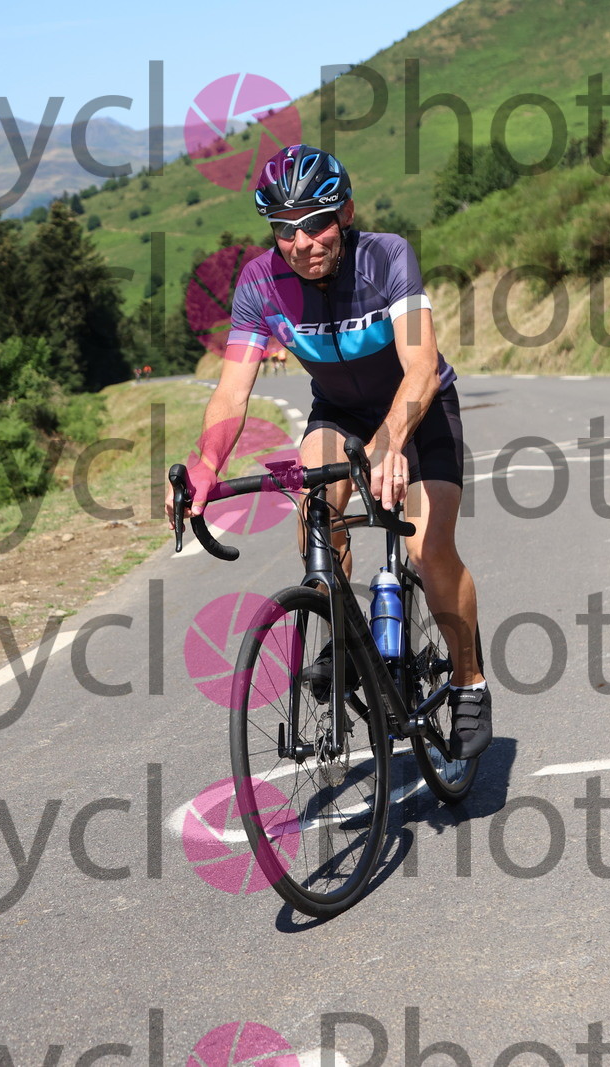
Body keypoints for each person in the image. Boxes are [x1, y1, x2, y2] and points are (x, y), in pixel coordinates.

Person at [164, 144, 491, 759]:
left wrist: (391, 442)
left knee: (426, 547)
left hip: (419, 409)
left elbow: (420, 367)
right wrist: (206, 466)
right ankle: (341, 635)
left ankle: (470, 682)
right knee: (316, 511)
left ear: (344, 213)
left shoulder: (385, 257)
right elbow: (232, 392)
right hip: (338, 413)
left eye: (316, 222)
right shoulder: (260, 283)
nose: (302, 242)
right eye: (285, 229)